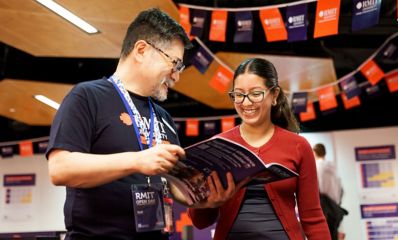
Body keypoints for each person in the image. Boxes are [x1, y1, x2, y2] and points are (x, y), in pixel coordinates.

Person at [46, 8, 192, 239]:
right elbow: (60, 169)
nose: (176, 75)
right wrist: (135, 161)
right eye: (174, 63)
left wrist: (202, 195)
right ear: (142, 50)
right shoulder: (87, 96)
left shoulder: (163, 117)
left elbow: (171, 184)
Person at [188, 58, 331, 240]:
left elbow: (313, 217)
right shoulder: (217, 146)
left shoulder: (298, 146)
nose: (246, 103)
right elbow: (200, 222)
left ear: (275, 95)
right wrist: (208, 203)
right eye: (239, 94)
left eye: (256, 94)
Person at [313, 143, 347, 240]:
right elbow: (341, 189)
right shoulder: (333, 168)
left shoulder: (317, 167)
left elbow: (317, 187)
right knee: (333, 234)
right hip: (335, 208)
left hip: (324, 207)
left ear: (314, 152)